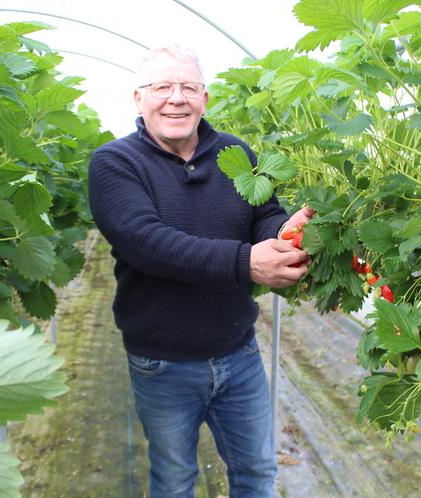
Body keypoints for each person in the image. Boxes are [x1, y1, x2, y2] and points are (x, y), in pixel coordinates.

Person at [88, 45, 313, 498]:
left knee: (257, 475)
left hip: (239, 353)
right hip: (162, 364)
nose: (176, 98)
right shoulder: (115, 163)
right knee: (174, 481)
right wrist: (246, 261)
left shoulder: (233, 152)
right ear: (138, 98)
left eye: (188, 87)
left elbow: (262, 213)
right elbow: (146, 243)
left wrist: (284, 230)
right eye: (162, 87)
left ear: (204, 99)